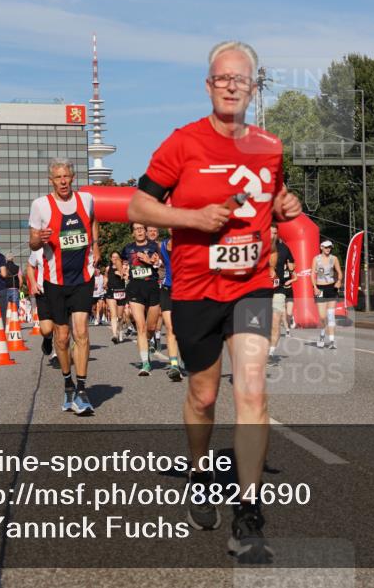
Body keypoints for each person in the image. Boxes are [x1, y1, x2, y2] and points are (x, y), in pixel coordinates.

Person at [128, 40, 302, 563]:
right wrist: (192, 218)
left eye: (240, 79)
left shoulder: (270, 146)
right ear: (209, 86)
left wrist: (287, 205)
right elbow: (139, 204)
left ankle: (248, 510)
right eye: (222, 78)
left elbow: (275, 202)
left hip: (251, 283)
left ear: (253, 86)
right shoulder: (182, 144)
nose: (231, 86)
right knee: (203, 397)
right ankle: (200, 469)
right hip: (195, 287)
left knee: (252, 390)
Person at [28, 158, 100, 416]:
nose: (63, 181)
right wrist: (40, 239)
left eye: (66, 176)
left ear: (72, 177)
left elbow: (93, 221)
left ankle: (82, 389)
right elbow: (33, 245)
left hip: (83, 277)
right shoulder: (40, 205)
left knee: (81, 332)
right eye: (58, 177)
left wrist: (96, 246)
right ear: (51, 180)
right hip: (54, 280)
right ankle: (68, 382)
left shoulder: (87, 200)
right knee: (61, 336)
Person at [122, 223, 162, 376]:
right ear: (133, 233)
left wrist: (151, 261)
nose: (139, 231)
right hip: (135, 288)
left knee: (151, 328)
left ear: (145, 232)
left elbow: (160, 263)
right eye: (136, 229)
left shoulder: (154, 246)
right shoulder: (127, 248)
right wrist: (123, 270)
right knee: (141, 327)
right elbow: (121, 260)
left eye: (141, 229)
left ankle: (148, 342)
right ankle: (145, 363)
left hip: (151, 287)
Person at [27, 247, 57, 366]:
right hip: (43, 292)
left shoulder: (61, 248)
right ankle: (47, 338)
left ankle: (56, 354)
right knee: (46, 329)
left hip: (60, 292)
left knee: (60, 326)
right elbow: (29, 267)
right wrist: (33, 283)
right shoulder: (38, 250)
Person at [158, 233, 183, 381]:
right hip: (167, 289)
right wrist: (155, 261)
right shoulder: (162, 245)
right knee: (170, 327)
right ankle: (174, 365)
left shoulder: (189, 243)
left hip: (186, 290)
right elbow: (160, 263)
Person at [268, 223, 295, 362]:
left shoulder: (284, 248)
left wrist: (291, 270)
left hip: (278, 290)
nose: (271, 235)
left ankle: (271, 354)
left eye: (274, 233)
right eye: (269, 232)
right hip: (260, 291)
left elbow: (292, 264)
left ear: (278, 234)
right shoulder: (259, 247)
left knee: (275, 322)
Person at [311, 240, 342, 349]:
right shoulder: (316, 259)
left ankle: (332, 341)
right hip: (320, 288)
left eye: (330, 247)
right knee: (323, 317)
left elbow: (339, 272)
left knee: (331, 316)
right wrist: (314, 287)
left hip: (331, 288)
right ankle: (322, 334)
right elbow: (312, 274)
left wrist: (339, 281)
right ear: (321, 248)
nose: (328, 249)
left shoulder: (334, 259)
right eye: (326, 247)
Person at [106, 251, 129, 344]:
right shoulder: (108, 268)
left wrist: (121, 274)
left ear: (120, 259)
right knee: (113, 314)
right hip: (111, 292)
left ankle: (120, 331)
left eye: (117, 257)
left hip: (121, 292)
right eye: (113, 257)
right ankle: (114, 335)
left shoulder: (124, 267)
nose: (115, 259)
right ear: (111, 259)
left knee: (120, 316)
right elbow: (106, 277)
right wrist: (105, 282)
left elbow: (127, 277)